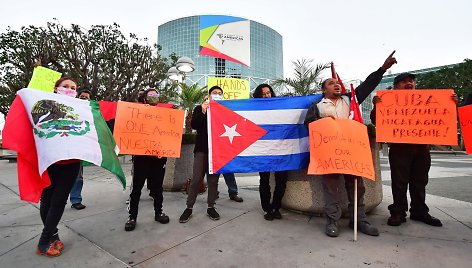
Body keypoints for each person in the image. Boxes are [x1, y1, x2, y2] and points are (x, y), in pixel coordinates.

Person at [304, 51, 397, 237]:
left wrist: (383, 69)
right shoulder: (317, 106)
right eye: (331, 83)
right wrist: (324, 122)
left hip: (352, 153)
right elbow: (308, 125)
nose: (336, 84)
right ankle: (332, 220)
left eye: (337, 83)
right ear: (324, 90)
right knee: (330, 188)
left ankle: (360, 220)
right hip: (329, 155)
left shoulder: (350, 100)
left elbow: (368, 85)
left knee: (356, 186)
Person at [370, 73, 457, 227]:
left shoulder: (428, 101)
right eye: (404, 82)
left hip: (422, 149)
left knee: (420, 181)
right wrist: (377, 106)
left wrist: (451, 103)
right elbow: (376, 120)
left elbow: (444, 117)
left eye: (411, 81)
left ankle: (419, 211)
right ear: (396, 87)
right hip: (399, 149)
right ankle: (398, 212)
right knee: (399, 182)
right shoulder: (386, 101)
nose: (409, 83)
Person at [36, 76, 82, 257]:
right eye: (65, 86)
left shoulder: (81, 109)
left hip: (71, 163)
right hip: (50, 161)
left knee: (58, 201)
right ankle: (50, 237)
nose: (69, 89)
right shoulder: (45, 106)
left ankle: (45, 239)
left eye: (73, 87)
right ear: (56, 88)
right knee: (46, 200)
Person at [125, 89, 170, 231]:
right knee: (137, 188)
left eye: (156, 95)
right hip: (141, 158)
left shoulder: (164, 116)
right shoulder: (136, 113)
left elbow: (168, 135)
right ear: (144, 98)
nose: (154, 97)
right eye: (150, 95)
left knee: (157, 187)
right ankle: (132, 217)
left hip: (158, 158)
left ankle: (159, 212)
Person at [179, 86, 223, 223]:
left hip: (216, 151)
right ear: (208, 95)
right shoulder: (200, 108)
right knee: (197, 178)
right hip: (201, 150)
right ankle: (189, 207)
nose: (217, 95)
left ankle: (211, 206)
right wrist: (204, 111)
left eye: (220, 94)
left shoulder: (223, 111)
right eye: (214, 93)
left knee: (213, 180)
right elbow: (195, 125)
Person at [252, 83, 288, 221]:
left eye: (269, 92)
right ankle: (267, 208)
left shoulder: (280, 107)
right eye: (263, 93)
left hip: (281, 149)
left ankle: (276, 207)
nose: (267, 95)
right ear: (258, 96)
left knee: (282, 180)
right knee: (264, 180)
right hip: (263, 149)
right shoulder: (254, 110)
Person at [69, 89, 91, 210]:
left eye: (86, 98)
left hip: (78, 150)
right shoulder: (69, 108)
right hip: (62, 148)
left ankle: (76, 200)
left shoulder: (89, 112)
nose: (84, 99)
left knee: (78, 177)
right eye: (82, 97)